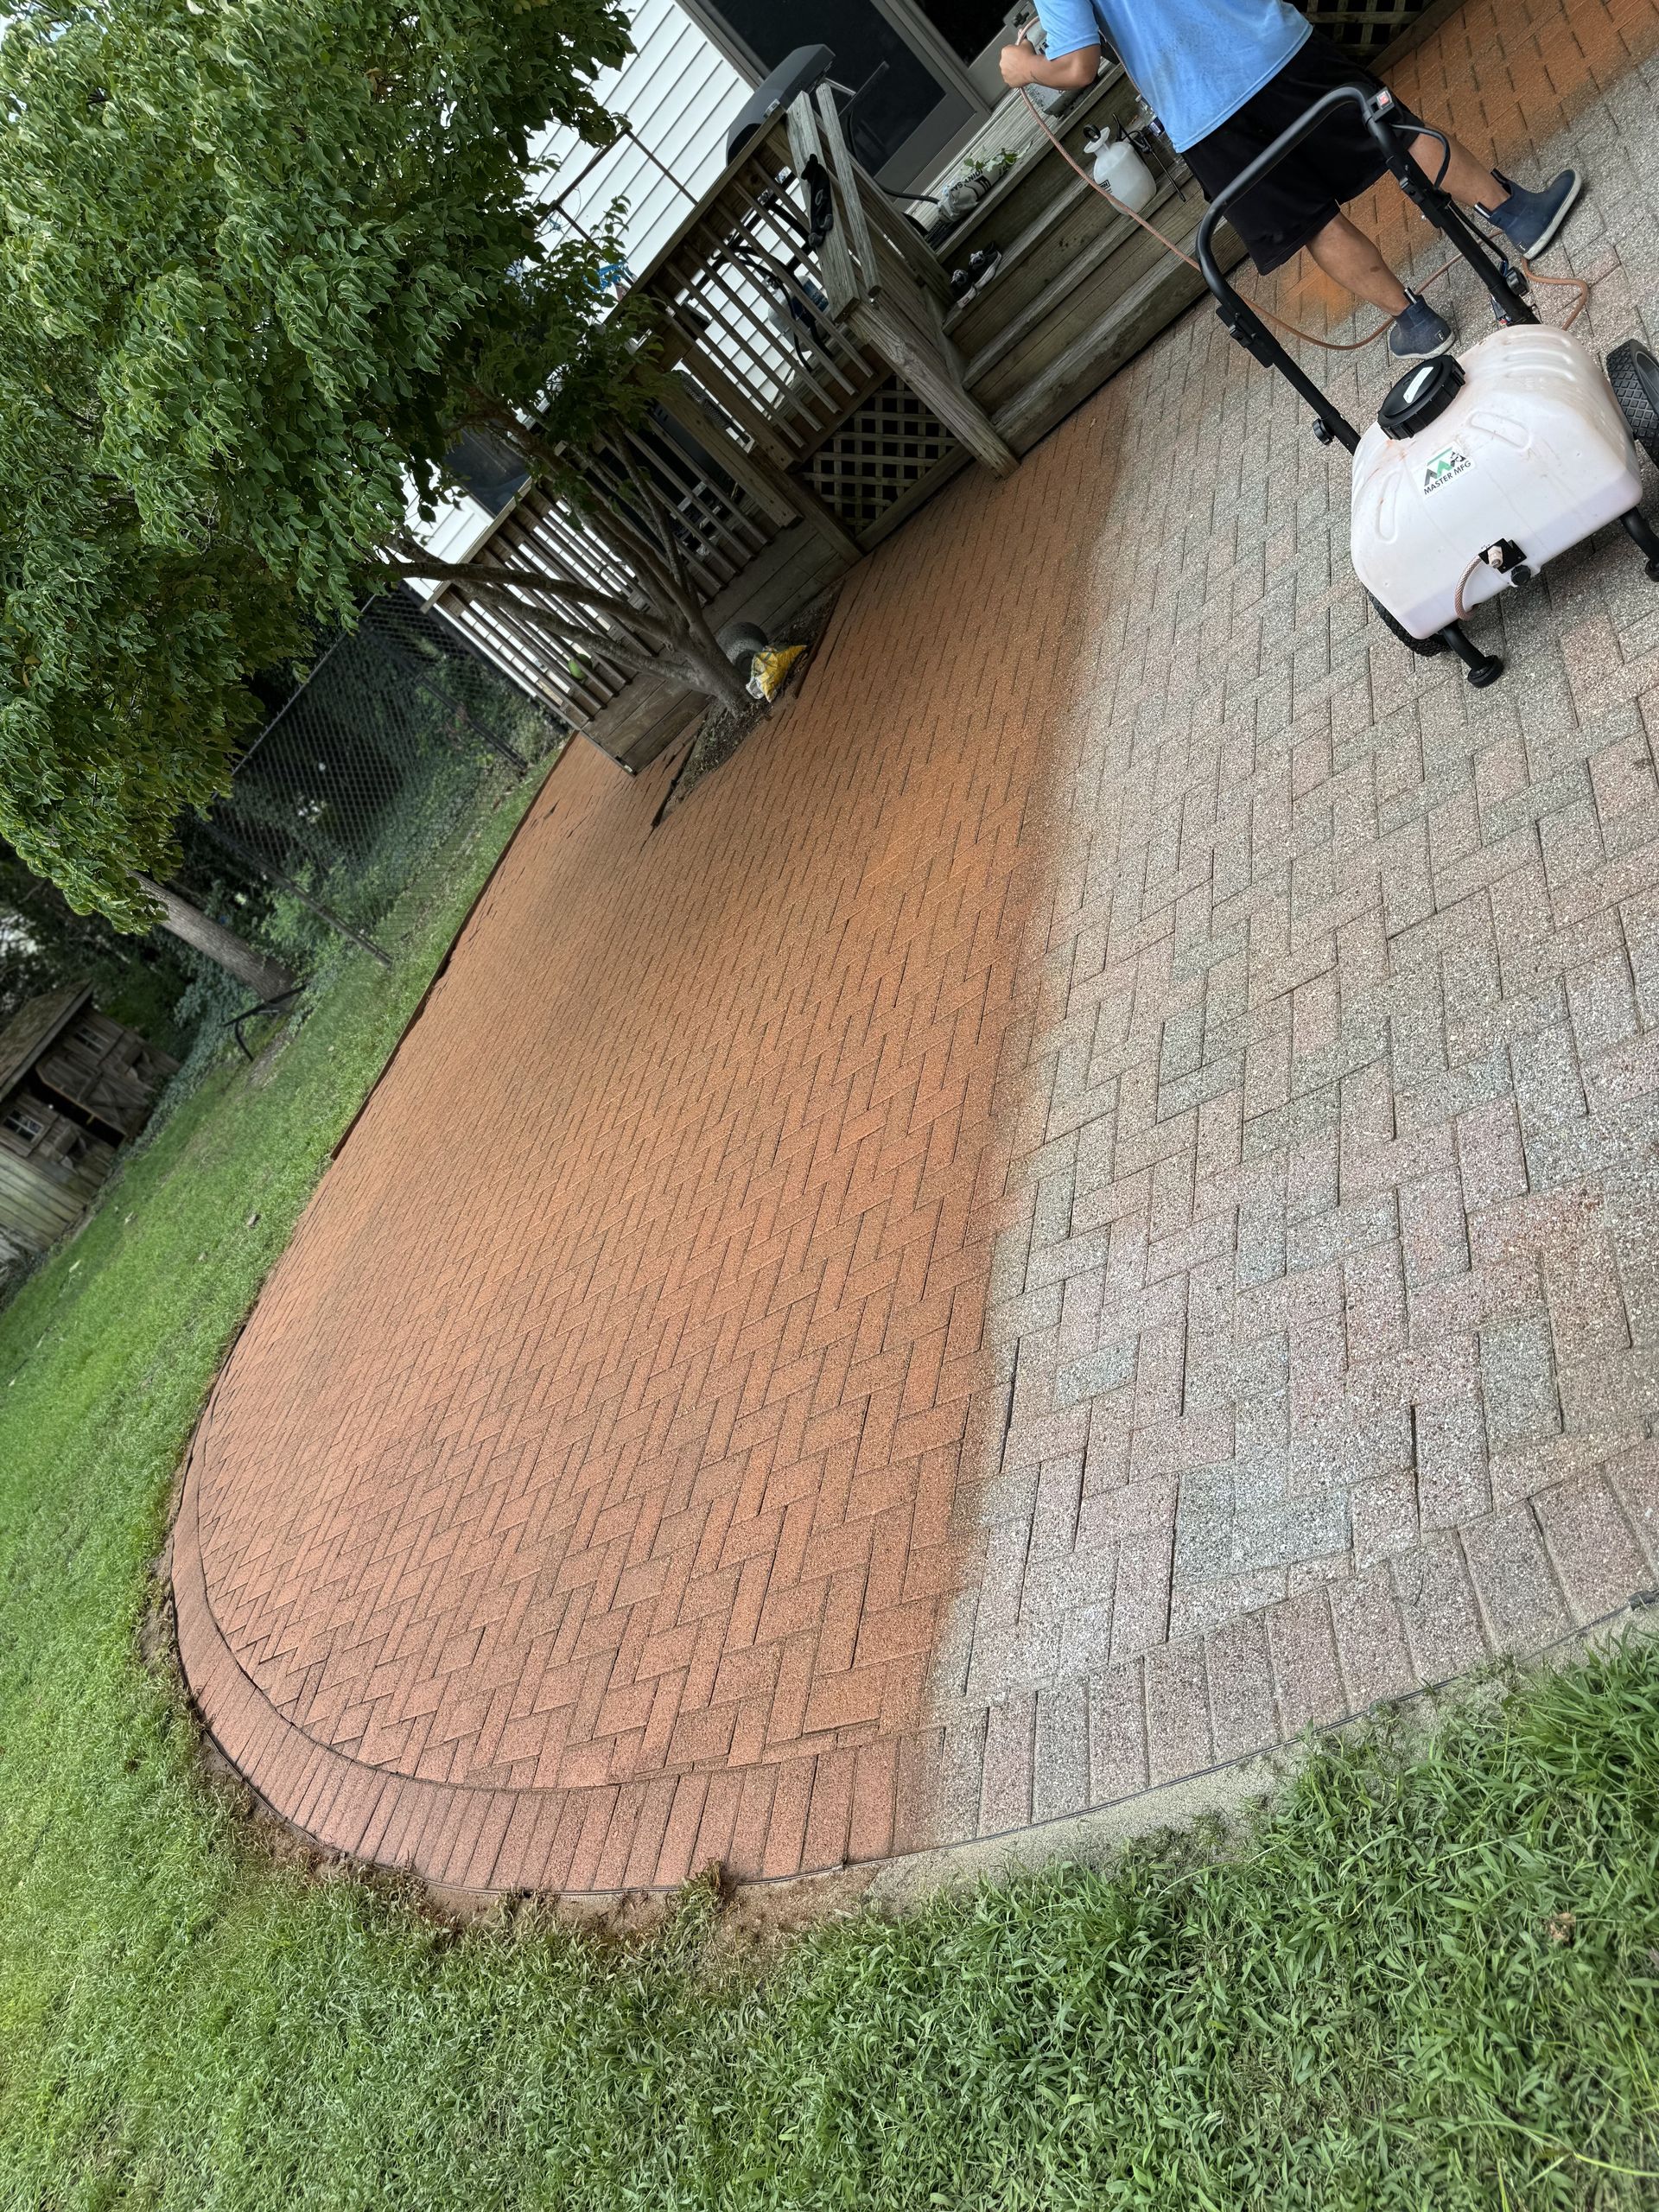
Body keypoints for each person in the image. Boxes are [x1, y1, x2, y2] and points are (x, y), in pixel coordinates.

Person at [1000, 1, 1581, 361]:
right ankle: (1520, 215)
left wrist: (1025, 67)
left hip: (1202, 112)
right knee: (1394, 132)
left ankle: (1417, 323)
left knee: (1310, 219)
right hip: (1271, 44)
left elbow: (1076, 66)